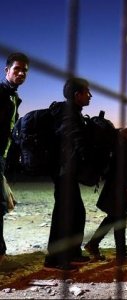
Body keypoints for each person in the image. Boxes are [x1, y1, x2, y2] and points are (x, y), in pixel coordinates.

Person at [84, 110, 127, 263]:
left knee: (113, 218)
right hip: (119, 187)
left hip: (123, 186)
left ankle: (93, 244)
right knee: (118, 218)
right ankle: (120, 254)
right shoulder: (125, 141)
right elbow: (123, 167)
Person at [44, 77, 92, 271]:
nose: (90, 96)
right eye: (87, 92)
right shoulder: (67, 114)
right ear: (76, 95)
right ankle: (55, 259)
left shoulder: (74, 113)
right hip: (63, 172)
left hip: (68, 172)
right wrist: (87, 155)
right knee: (64, 215)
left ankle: (72, 252)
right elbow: (73, 138)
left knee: (77, 212)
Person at [0, 52, 29, 264]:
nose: (21, 73)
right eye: (17, 69)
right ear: (6, 70)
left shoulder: (13, 97)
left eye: (24, 71)